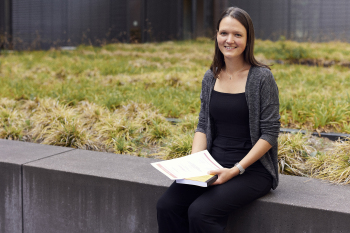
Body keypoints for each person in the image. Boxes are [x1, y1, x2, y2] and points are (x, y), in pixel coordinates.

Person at [157, 6, 280, 233]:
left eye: (237, 34)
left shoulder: (262, 77)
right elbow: (203, 123)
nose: (229, 40)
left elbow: (270, 132)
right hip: (212, 165)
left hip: (251, 170)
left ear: (248, 39)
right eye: (224, 33)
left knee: (200, 213)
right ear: (216, 36)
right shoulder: (211, 75)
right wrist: (194, 164)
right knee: (167, 206)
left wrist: (235, 169)